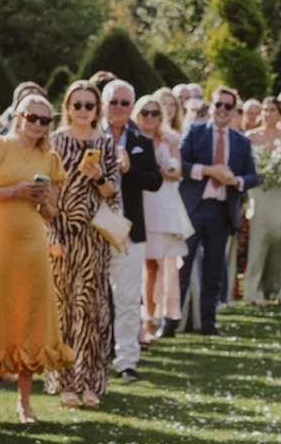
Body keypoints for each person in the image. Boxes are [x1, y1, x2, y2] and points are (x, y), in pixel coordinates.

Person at [0, 93, 69, 423]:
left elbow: (53, 212)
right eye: (31, 117)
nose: (37, 125)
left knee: (29, 315)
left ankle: (24, 404)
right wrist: (14, 192)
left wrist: (42, 200)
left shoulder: (49, 157)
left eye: (44, 120)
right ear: (18, 117)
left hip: (32, 243)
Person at [48, 78, 120, 407]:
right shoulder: (54, 142)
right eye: (76, 105)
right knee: (62, 308)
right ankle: (63, 381)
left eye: (88, 105)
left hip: (93, 234)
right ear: (67, 107)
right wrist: (50, 233)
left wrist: (98, 176)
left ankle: (89, 382)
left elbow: (112, 192)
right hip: (61, 231)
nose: (82, 111)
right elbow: (46, 191)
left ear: (96, 110)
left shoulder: (106, 144)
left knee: (90, 309)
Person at [177, 87, 256, 334]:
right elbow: (180, 164)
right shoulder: (194, 131)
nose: (222, 110)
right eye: (218, 105)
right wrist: (209, 171)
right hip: (194, 207)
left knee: (213, 270)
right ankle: (172, 323)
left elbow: (253, 176)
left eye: (228, 106)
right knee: (183, 265)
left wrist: (236, 181)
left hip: (221, 210)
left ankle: (208, 323)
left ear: (233, 111)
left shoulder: (241, 141)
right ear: (211, 106)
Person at [104, 79, 159, 380]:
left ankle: (126, 360)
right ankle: (96, 354)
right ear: (104, 104)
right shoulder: (90, 137)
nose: (119, 108)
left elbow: (155, 181)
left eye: (125, 103)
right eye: (114, 102)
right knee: (95, 297)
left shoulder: (141, 141)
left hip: (130, 229)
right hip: (95, 228)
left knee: (126, 298)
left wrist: (129, 170)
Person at [135, 94, 189, 339]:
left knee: (156, 262)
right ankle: (140, 316)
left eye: (154, 113)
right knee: (139, 261)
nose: (149, 117)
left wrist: (159, 171)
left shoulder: (169, 139)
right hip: (139, 200)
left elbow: (176, 172)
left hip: (161, 202)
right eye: (145, 112)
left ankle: (152, 316)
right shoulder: (132, 138)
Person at [241, 96, 281, 305]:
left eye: (272, 110)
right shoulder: (250, 137)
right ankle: (254, 291)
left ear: (279, 113)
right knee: (258, 239)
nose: (268, 114)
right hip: (259, 193)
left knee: (279, 239)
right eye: (265, 110)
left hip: (279, 194)